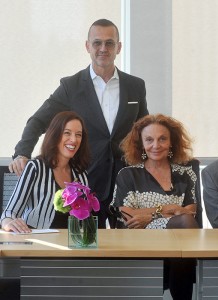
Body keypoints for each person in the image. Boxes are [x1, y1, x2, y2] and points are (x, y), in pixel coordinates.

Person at [8, 18, 148, 228]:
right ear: (87, 46)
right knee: (92, 249)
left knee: (128, 252)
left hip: (126, 184)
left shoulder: (136, 86)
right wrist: (22, 153)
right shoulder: (70, 86)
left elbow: (144, 131)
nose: (103, 48)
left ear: (118, 47)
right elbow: (38, 120)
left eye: (109, 43)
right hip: (87, 182)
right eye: (97, 43)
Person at [111, 114, 199, 300]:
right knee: (183, 225)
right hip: (138, 237)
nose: (156, 145)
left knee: (185, 225)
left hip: (177, 239)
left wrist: (151, 216)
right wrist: (170, 208)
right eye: (149, 140)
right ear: (141, 144)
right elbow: (128, 215)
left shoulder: (186, 173)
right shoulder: (128, 174)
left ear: (171, 142)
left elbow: (191, 212)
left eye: (162, 139)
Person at [1, 111, 90, 233]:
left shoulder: (81, 175)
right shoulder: (35, 167)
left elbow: (83, 220)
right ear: (55, 135)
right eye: (67, 133)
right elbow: (9, 213)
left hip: (70, 244)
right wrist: (8, 223)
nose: (74, 140)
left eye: (78, 135)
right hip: (39, 242)